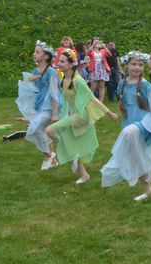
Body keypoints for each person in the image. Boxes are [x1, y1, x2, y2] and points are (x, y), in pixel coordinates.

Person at [101, 51, 151, 201]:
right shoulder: (122, 84)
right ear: (127, 65)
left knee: (133, 145)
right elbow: (124, 104)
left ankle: (136, 173)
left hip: (144, 125)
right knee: (136, 156)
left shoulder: (145, 85)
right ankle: (147, 188)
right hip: (129, 124)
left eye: (140, 65)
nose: (137, 67)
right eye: (134, 64)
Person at [46, 49, 118, 184]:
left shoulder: (78, 81)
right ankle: (84, 175)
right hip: (73, 115)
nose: (59, 63)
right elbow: (68, 101)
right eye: (59, 61)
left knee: (49, 131)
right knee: (71, 142)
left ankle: (71, 155)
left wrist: (110, 114)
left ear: (71, 64)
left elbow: (93, 99)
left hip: (82, 116)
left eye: (62, 61)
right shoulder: (64, 79)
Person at [15, 40, 62, 170]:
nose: (34, 54)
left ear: (46, 56)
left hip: (50, 106)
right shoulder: (35, 71)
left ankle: (49, 155)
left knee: (34, 130)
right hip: (40, 105)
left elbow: (54, 92)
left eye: (37, 52)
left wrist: (55, 113)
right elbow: (32, 90)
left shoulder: (51, 72)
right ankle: (53, 160)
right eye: (34, 52)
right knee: (42, 132)